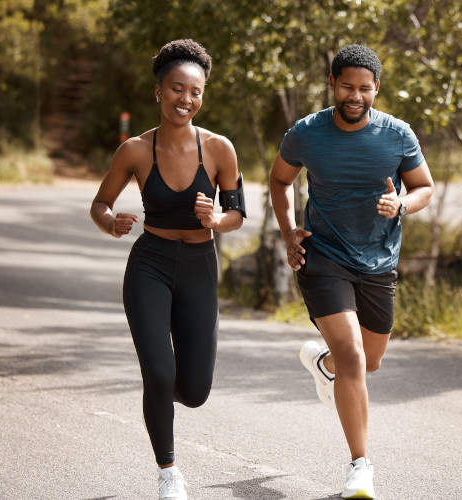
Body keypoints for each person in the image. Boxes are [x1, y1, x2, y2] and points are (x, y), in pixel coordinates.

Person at [269, 44, 433, 499]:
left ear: (376, 88)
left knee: (369, 361)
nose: (355, 96)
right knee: (354, 358)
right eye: (347, 86)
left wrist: (401, 203)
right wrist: (289, 232)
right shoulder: (306, 133)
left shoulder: (397, 135)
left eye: (365, 88)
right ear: (332, 84)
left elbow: (424, 188)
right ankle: (360, 467)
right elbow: (280, 180)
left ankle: (324, 365)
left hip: (379, 260)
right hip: (323, 257)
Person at [90, 39, 245, 500]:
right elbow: (100, 203)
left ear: (202, 96)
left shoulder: (219, 150)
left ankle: (162, 400)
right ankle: (169, 474)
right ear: (159, 91)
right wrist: (110, 224)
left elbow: (237, 213)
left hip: (199, 266)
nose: (186, 99)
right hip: (150, 266)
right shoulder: (135, 151)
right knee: (158, 373)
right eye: (177, 89)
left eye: (195, 92)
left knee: (193, 391)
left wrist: (216, 219)